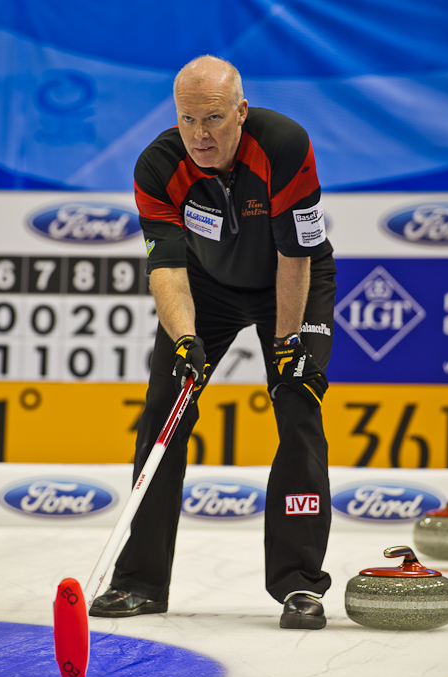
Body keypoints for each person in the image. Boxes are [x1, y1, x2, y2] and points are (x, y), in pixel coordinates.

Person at [90, 55, 337, 629]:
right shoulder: (157, 165)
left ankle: (300, 587)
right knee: (164, 412)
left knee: (297, 403)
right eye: (188, 119)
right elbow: (168, 267)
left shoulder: (284, 146)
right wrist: (185, 340)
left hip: (293, 280)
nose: (200, 135)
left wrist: (286, 343)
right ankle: (140, 583)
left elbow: (295, 255)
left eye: (214, 118)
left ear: (241, 112)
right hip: (207, 288)